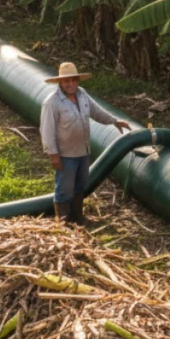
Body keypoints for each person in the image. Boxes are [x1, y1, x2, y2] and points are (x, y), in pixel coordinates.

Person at [40, 62, 130, 225]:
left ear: (78, 81)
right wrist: (53, 154)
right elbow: (47, 130)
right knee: (64, 188)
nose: (71, 84)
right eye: (67, 81)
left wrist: (115, 121)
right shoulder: (52, 102)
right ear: (60, 82)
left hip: (83, 151)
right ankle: (64, 221)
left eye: (73, 80)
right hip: (66, 154)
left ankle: (77, 216)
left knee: (80, 184)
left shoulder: (82, 95)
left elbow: (96, 111)